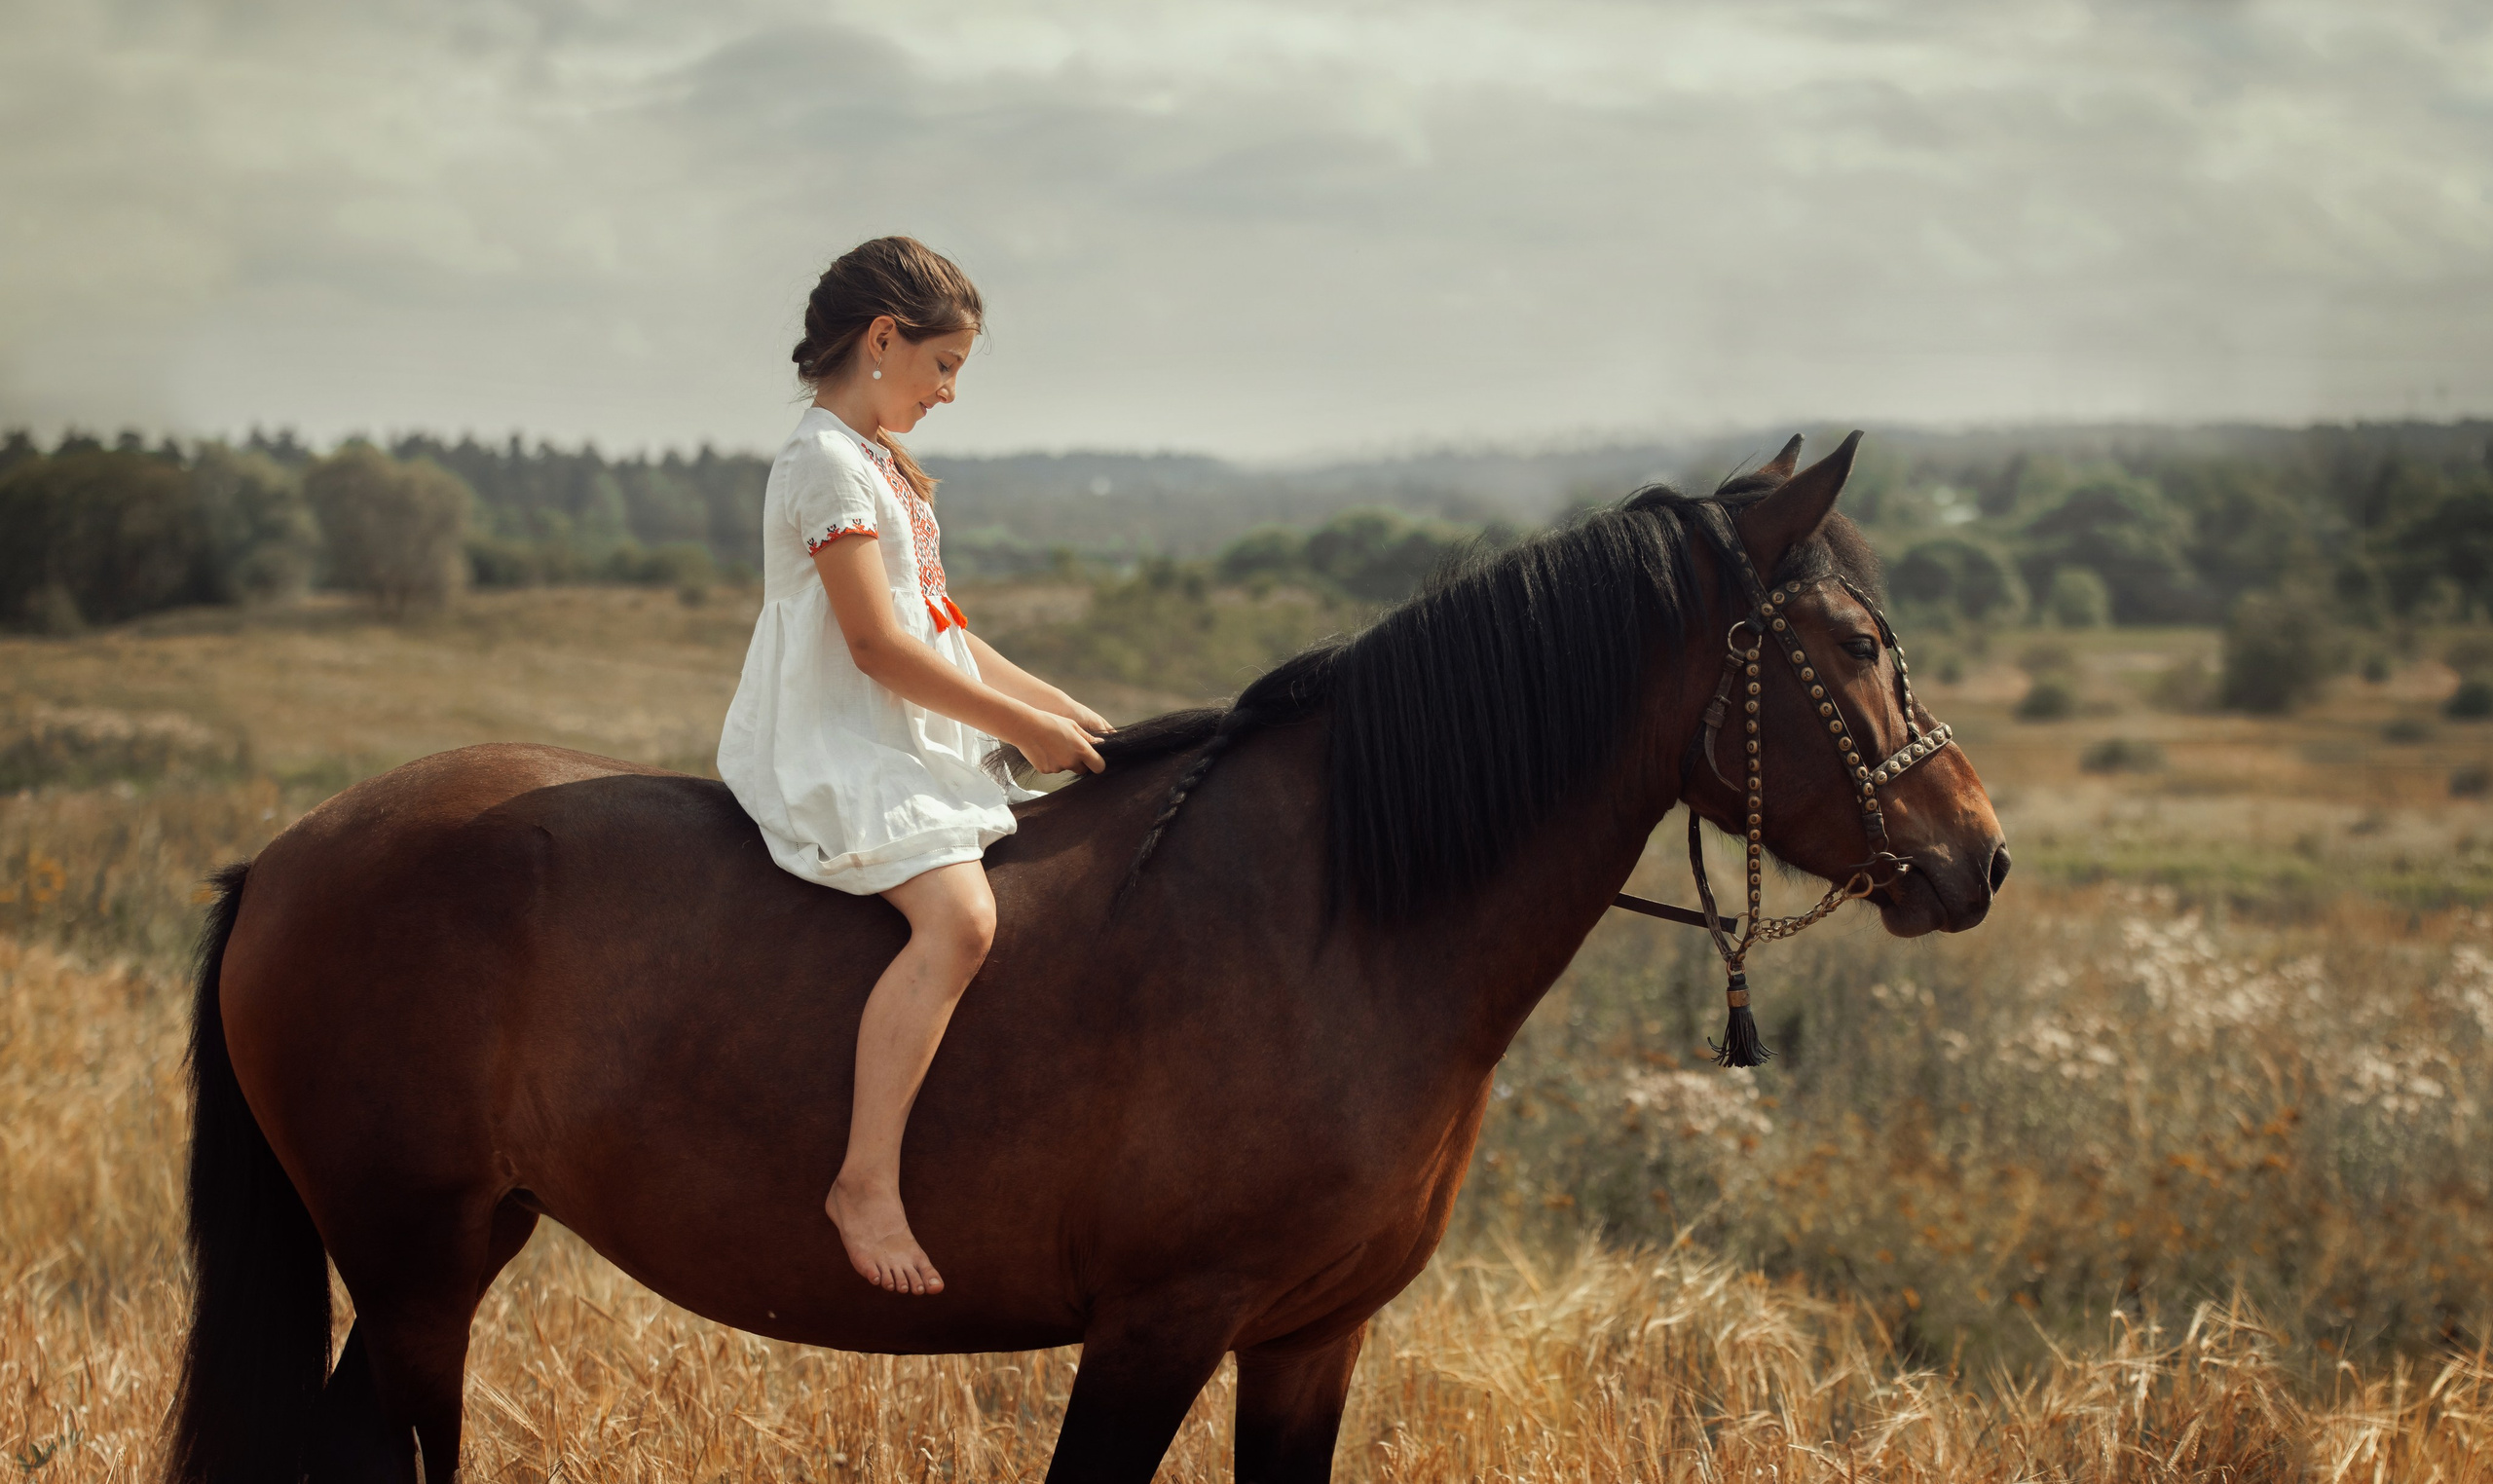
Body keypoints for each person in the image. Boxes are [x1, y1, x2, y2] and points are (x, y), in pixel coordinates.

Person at [718, 237, 1111, 1296]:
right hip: (841, 733)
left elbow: (940, 629)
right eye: (942, 366)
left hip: (903, 723)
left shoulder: (880, 463)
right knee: (961, 919)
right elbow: (875, 649)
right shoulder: (822, 464)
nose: (947, 393)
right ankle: (865, 1182)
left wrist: (1059, 710)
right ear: (882, 338)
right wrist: (1021, 735)